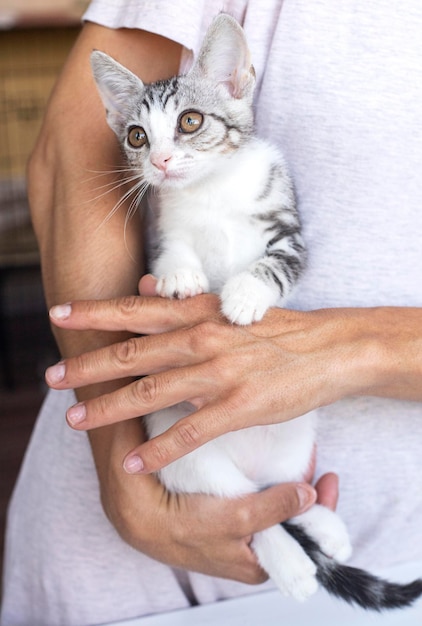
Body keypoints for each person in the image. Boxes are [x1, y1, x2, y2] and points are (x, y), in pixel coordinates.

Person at [1, 1, 422, 624]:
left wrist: (350, 351)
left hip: (391, 532)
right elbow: (74, 150)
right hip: (135, 568)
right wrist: (127, 471)